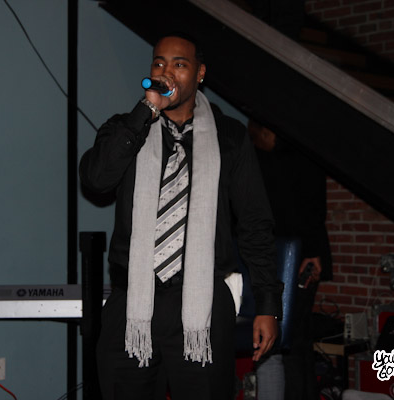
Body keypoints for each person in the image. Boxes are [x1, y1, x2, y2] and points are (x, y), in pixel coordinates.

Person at [79, 33, 283, 400]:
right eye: (159, 63)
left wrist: (268, 305)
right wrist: (145, 112)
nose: (167, 71)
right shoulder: (127, 128)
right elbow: (96, 179)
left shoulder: (230, 137)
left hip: (203, 304)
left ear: (200, 73)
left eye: (179, 64)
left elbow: (255, 223)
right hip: (132, 303)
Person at [249, 121, 333, 400]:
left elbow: (312, 201)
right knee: (286, 342)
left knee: (293, 341)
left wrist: (312, 251)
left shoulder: (299, 147)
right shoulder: (255, 152)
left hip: (299, 256)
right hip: (272, 254)